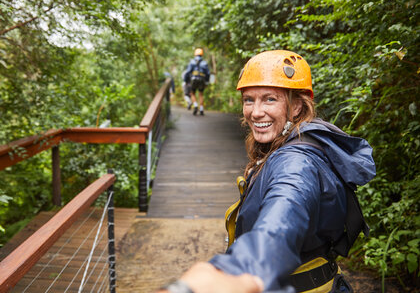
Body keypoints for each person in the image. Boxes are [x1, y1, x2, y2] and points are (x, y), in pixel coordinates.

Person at [158, 50, 376, 293]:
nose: (255, 111)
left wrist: (242, 271)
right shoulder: (295, 141)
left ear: (296, 107)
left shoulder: (296, 162)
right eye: (248, 100)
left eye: (270, 99)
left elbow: (284, 213)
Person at [183, 48, 211, 115]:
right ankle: (201, 109)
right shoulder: (204, 62)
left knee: (192, 93)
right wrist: (207, 81)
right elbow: (208, 73)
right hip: (202, 79)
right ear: (202, 54)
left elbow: (187, 72)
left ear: (195, 54)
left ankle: (195, 105)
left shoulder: (192, 62)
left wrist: (186, 80)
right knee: (201, 94)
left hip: (194, 79)